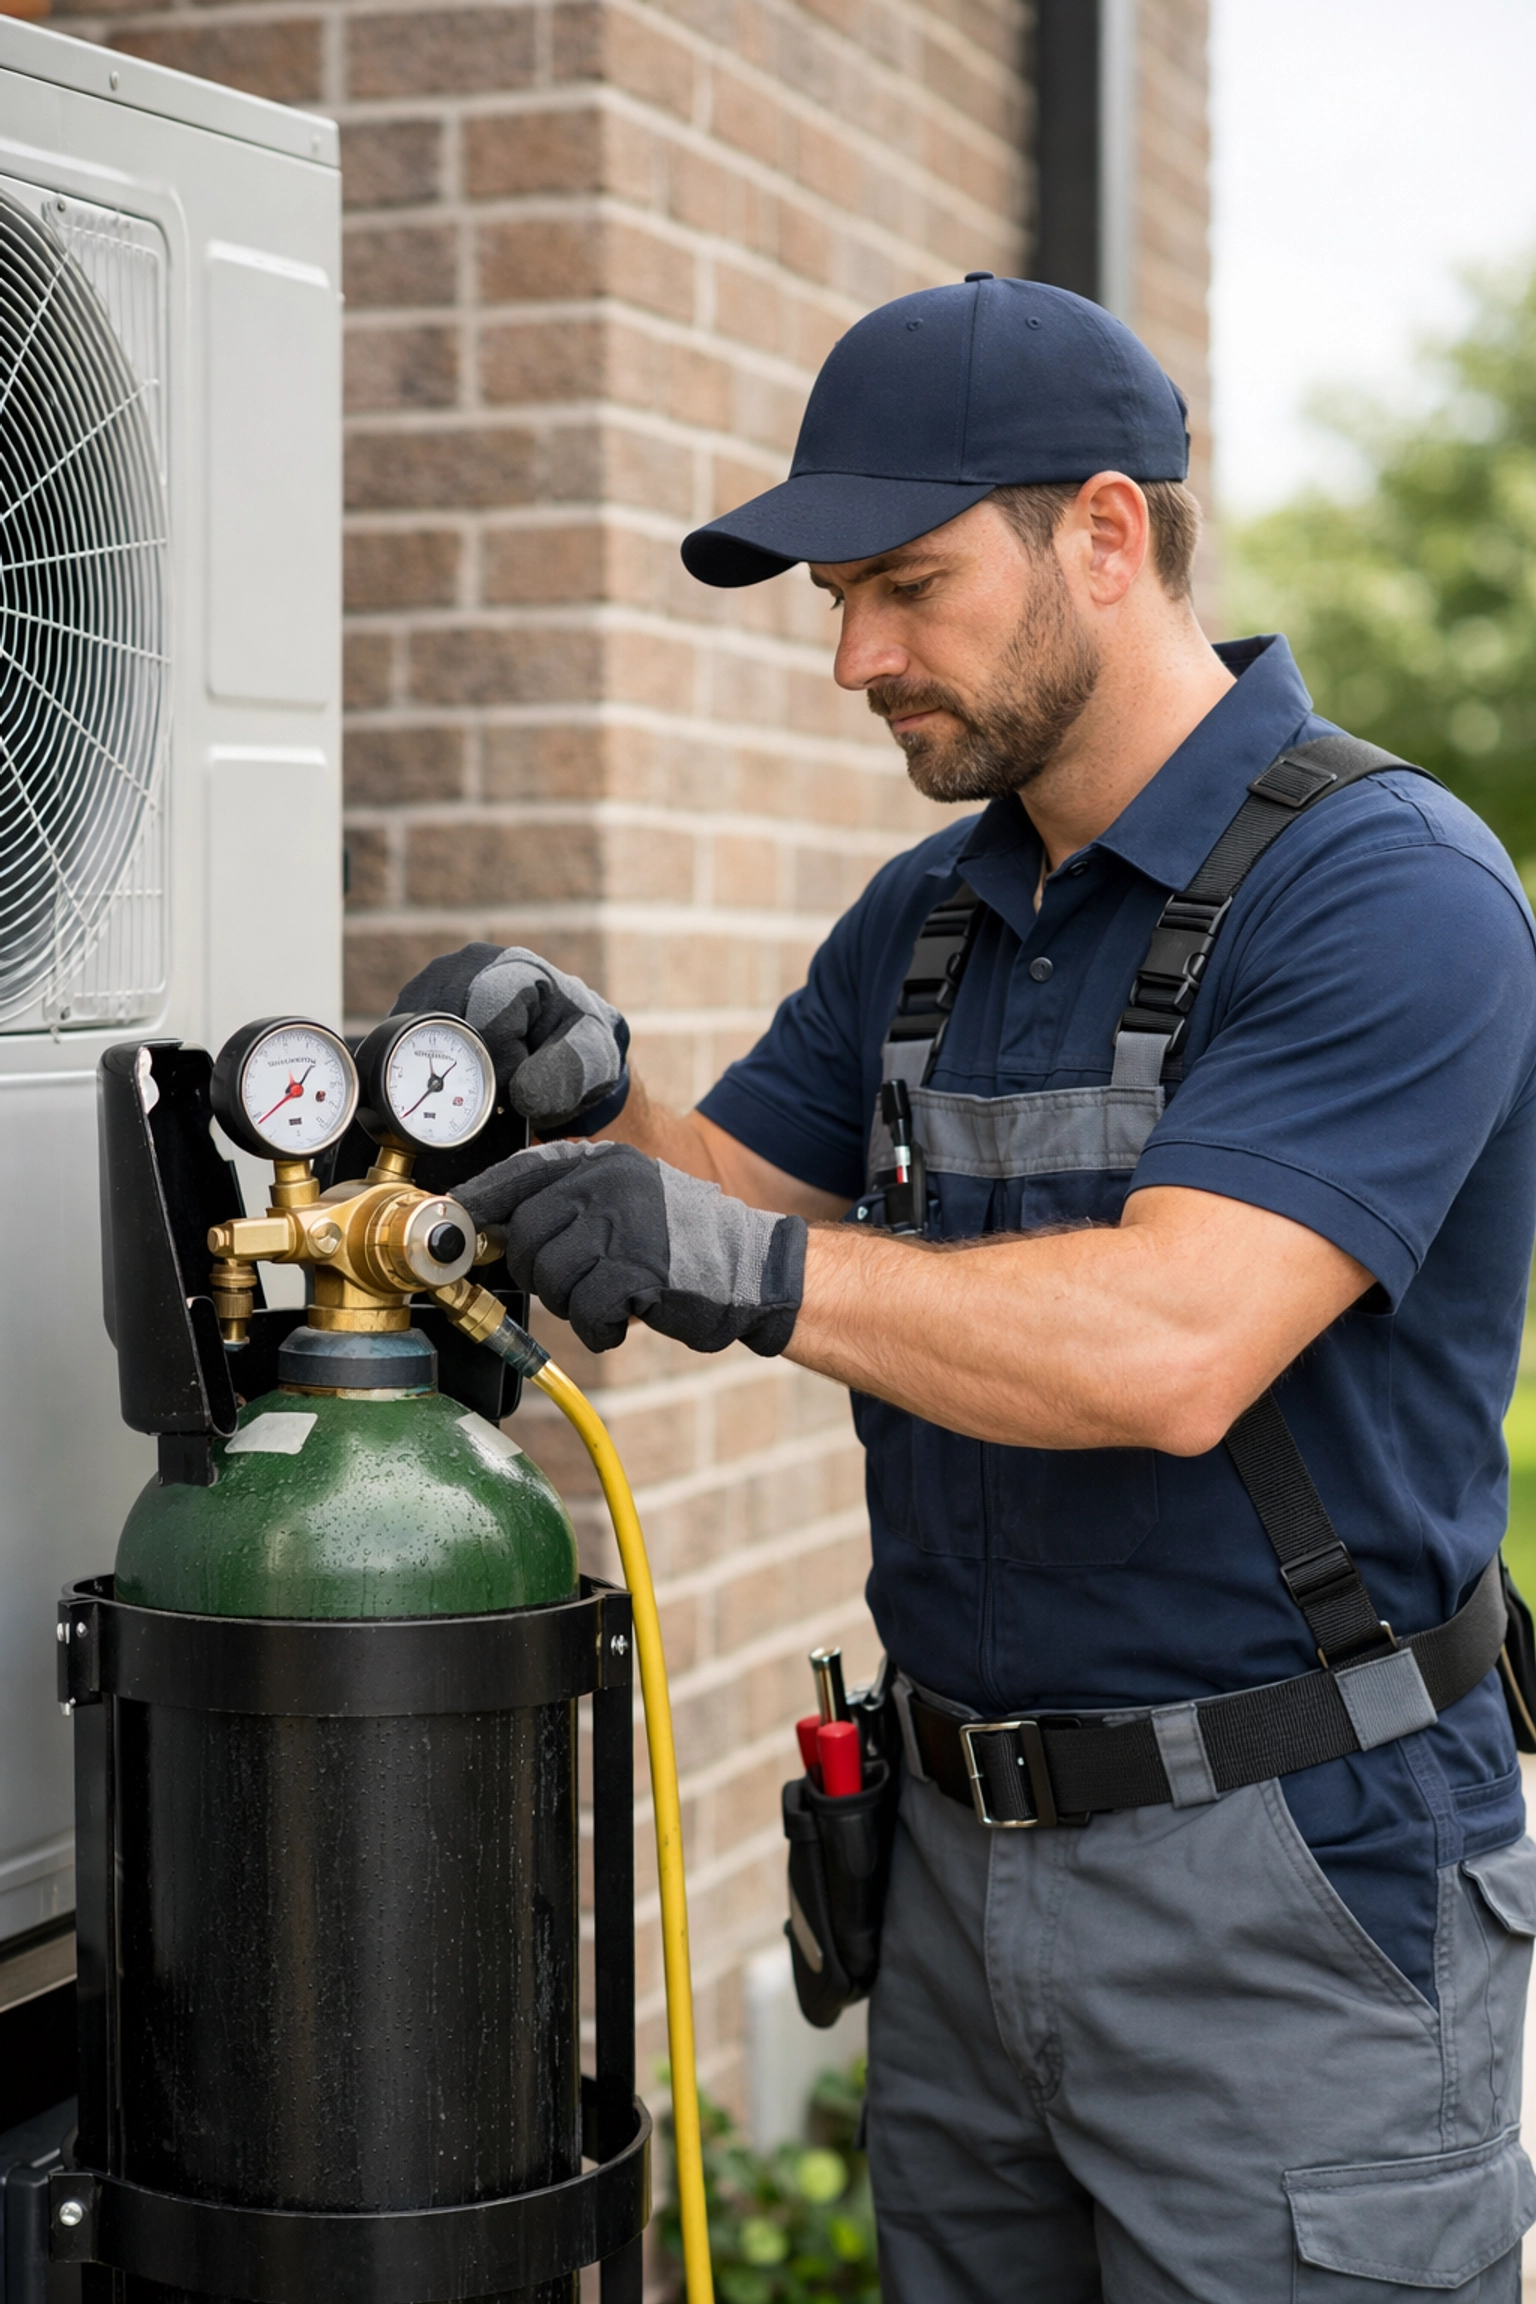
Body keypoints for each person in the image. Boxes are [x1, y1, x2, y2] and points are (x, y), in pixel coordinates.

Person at [396, 276, 1536, 2301]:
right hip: (951, 1876)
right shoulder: (926, 919)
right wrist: (588, 1084)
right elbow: (733, 1200)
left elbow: (1176, 1343)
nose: (855, 656)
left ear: (1104, 534)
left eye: (907, 587)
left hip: (1294, 1886)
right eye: (840, 599)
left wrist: (733, 1259)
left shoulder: (1387, 892)